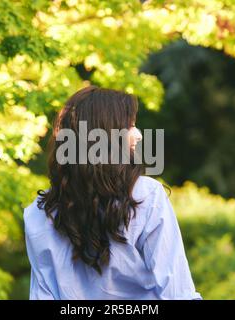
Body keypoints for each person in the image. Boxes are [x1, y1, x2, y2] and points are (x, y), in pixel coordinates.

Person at [24, 85, 201, 300]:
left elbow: (43, 295)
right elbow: (177, 292)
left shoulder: (37, 213)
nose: (138, 135)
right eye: (129, 125)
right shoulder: (146, 195)